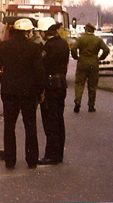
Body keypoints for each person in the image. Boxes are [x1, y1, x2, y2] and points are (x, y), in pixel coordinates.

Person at [0, 18, 46, 169]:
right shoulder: (34, 48)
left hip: (9, 92)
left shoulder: (4, 45)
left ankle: (10, 160)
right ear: (27, 32)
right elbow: (40, 72)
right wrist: (40, 91)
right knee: (30, 126)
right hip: (28, 93)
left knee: (9, 127)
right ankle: (32, 160)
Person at [37, 18, 70, 165]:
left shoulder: (48, 47)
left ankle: (51, 155)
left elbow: (44, 68)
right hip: (61, 84)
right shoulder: (63, 43)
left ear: (45, 32)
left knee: (49, 121)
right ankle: (59, 154)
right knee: (59, 120)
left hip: (50, 86)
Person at [71, 22, 110, 113]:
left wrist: (76, 57)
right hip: (94, 63)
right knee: (92, 85)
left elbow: (73, 48)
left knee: (79, 83)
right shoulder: (98, 40)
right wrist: (101, 58)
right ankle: (91, 105)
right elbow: (106, 50)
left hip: (82, 63)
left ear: (87, 29)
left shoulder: (81, 39)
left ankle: (78, 100)